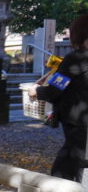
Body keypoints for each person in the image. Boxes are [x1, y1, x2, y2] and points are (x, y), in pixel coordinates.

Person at [30, 14, 88, 181]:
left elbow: (55, 89)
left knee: (63, 172)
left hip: (79, 126)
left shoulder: (75, 59)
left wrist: (36, 91)